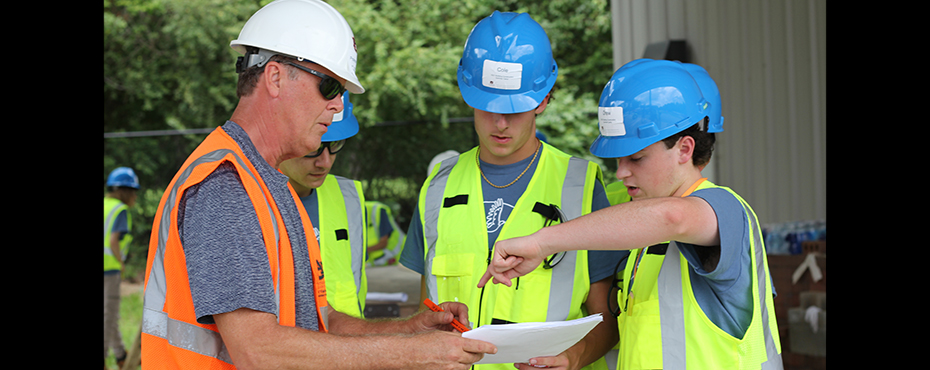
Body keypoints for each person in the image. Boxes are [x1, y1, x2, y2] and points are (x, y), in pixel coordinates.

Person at [140, 1, 495, 369]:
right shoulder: (226, 185)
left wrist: (411, 331)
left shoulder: (272, 185)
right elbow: (257, 350)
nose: (339, 106)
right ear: (275, 77)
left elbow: (320, 322)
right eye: (329, 86)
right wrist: (411, 355)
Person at [480, 59, 783, 370]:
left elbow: (670, 218)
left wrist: (542, 243)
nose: (621, 172)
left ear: (684, 149)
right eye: (618, 159)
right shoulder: (638, 222)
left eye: (636, 158)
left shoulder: (724, 208)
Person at [399, 11, 623, 370]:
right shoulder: (438, 187)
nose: (500, 123)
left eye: (514, 109)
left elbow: (607, 319)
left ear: (543, 100)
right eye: (489, 107)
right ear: (467, 95)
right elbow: (424, 313)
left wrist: (571, 358)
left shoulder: (581, 187)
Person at [279, 92, 369, 318]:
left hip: (347, 345)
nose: (325, 162)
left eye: (334, 144)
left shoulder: (349, 197)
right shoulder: (249, 200)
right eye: (313, 147)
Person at [104, 166, 139, 369]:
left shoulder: (105, 205)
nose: (134, 196)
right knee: (108, 315)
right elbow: (114, 240)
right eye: (133, 191)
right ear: (124, 191)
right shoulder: (121, 210)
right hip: (110, 269)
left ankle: (120, 355)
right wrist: (120, 262)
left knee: (110, 313)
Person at [365, 200, 405, 266]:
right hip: (377, 266)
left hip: (397, 261)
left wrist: (361, 251)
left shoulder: (376, 210)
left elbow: (383, 243)